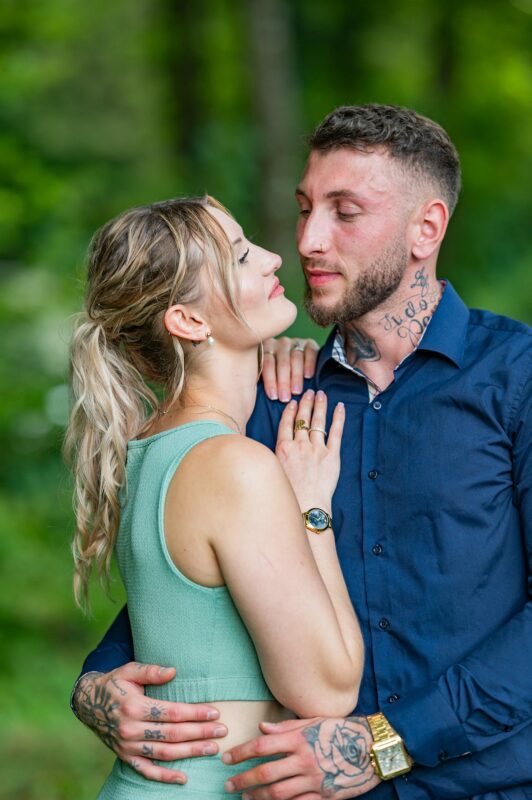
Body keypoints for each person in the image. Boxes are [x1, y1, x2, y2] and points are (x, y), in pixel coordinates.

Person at [72, 106, 532, 800]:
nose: (308, 240)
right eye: (304, 207)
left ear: (426, 229)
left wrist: (385, 743)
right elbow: (202, 584)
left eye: (346, 213)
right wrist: (99, 684)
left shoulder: (517, 378)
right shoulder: (271, 397)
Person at [65, 195, 365, 799]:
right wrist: (313, 509)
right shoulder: (234, 466)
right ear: (189, 321)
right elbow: (328, 690)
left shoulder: (151, 446)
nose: (277, 257)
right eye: (241, 256)